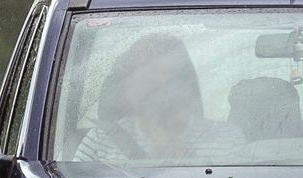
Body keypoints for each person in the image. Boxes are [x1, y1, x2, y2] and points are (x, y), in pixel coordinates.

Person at [73, 33, 247, 164]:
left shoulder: (227, 138)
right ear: (127, 90)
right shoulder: (101, 140)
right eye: (147, 81)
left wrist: (180, 154)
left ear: (186, 85)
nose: (157, 92)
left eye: (168, 81)